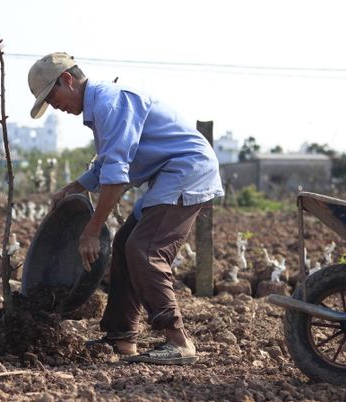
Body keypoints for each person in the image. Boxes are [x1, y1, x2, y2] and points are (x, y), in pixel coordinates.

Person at [28, 52, 224, 365]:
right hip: (168, 175)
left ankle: (178, 341)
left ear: (67, 80)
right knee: (123, 245)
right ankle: (121, 337)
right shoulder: (100, 108)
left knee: (145, 250)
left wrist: (92, 230)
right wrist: (75, 187)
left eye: (52, 98)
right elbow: (107, 161)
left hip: (187, 170)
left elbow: (116, 177)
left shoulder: (109, 102)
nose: (55, 107)